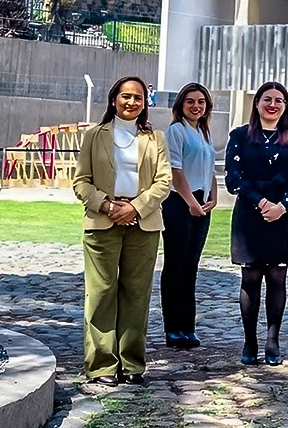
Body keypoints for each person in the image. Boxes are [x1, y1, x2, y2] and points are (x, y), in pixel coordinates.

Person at [73, 76, 172, 387]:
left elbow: (163, 182)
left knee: (137, 294)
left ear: (145, 103)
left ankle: (131, 364)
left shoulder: (156, 138)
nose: (131, 102)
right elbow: (81, 182)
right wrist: (107, 206)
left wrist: (135, 207)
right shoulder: (94, 135)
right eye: (125, 96)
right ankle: (101, 365)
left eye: (138, 98)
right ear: (114, 98)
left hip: (143, 224)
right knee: (101, 294)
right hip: (102, 223)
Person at [225, 81, 288, 366]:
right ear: (257, 103)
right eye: (267, 99)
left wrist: (282, 206)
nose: (273, 105)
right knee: (250, 278)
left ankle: (273, 339)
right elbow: (234, 177)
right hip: (251, 215)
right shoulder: (239, 136)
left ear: (285, 106)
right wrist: (261, 203)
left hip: (284, 216)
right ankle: (250, 341)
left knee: (277, 277)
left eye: (279, 100)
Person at [160, 83, 218, 350]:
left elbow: (211, 169)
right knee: (175, 266)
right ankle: (173, 328)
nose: (196, 106)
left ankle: (188, 327)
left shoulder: (203, 132)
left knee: (191, 267)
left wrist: (213, 198)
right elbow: (176, 171)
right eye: (191, 102)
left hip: (201, 204)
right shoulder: (176, 131)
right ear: (181, 105)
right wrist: (191, 202)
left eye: (201, 102)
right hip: (180, 203)